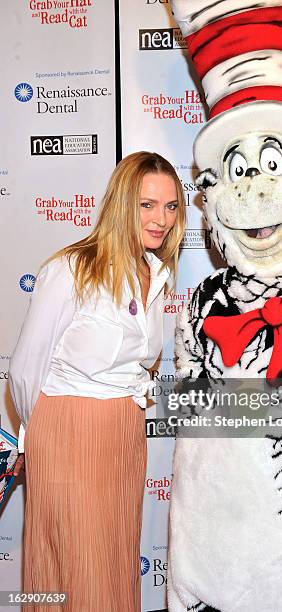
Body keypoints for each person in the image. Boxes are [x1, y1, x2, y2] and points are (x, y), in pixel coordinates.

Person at [9, 151, 186, 612]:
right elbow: (25, 369)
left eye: (170, 207)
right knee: (76, 562)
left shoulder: (157, 273)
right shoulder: (71, 270)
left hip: (124, 430)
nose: (161, 219)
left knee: (112, 557)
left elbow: (140, 365)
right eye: (147, 205)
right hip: (68, 428)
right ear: (122, 203)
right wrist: (42, 435)